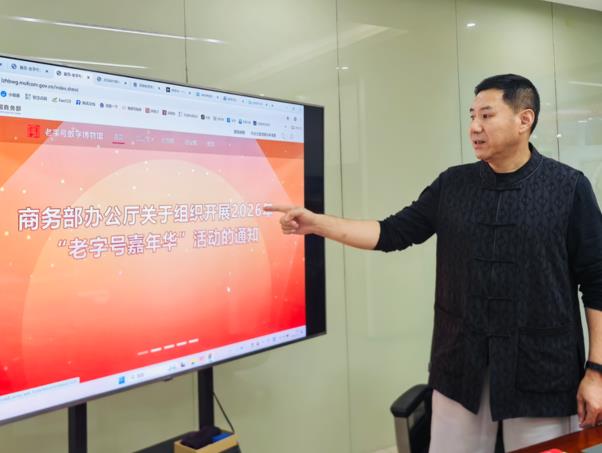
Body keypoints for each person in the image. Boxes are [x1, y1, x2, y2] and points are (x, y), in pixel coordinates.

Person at [266, 74, 602, 452]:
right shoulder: (453, 185)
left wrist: (596, 371)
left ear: (525, 120)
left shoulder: (568, 187)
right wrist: (317, 224)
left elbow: (597, 282)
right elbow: (392, 233)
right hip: (460, 368)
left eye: (487, 115)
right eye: (472, 116)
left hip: (543, 371)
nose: (474, 127)